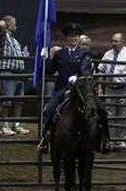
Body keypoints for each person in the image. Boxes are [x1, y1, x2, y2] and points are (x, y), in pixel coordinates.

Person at [38, 22, 109, 152]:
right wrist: (46, 58)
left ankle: (105, 139)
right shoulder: (60, 54)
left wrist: (78, 76)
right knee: (50, 110)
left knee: (101, 109)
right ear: (67, 38)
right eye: (71, 36)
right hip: (62, 88)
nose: (73, 39)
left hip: (81, 88)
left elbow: (85, 69)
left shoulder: (84, 53)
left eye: (75, 36)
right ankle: (46, 138)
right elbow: (49, 71)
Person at [99, 32, 126, 151]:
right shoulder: (107, 54)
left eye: (116, 41)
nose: (113, 44)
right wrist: (101, 86)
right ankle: (111, 140)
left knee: (125, 115)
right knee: (110, 115)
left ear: (123, 42)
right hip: (110, 89)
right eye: (112, 41)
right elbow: (101, 70)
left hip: (125, 89)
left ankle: (123, 140)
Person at [0, 15, 29, 137]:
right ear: (8, 25)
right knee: (6, 101)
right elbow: (0, 28)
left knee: (19, 101)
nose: (16, 26)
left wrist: (24, 55)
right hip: (8, 72)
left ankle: (16, 124)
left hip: (19, 73)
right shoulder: (3, 39)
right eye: (13, 23)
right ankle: (4, 125)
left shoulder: (15, 40)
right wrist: (3, 23)